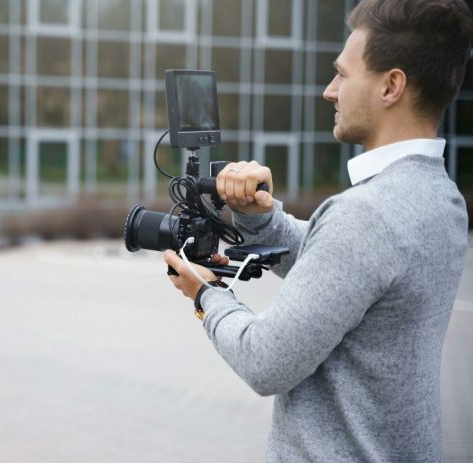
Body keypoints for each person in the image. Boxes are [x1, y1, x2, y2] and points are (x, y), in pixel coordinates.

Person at [164, 0, 472, 461]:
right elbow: (337, 267)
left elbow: (265, 361)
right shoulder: (442, 198)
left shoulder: (366, 214)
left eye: (343, 75)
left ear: (392, 86)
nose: (330, 91)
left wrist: (206, 296)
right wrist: (258, 214)